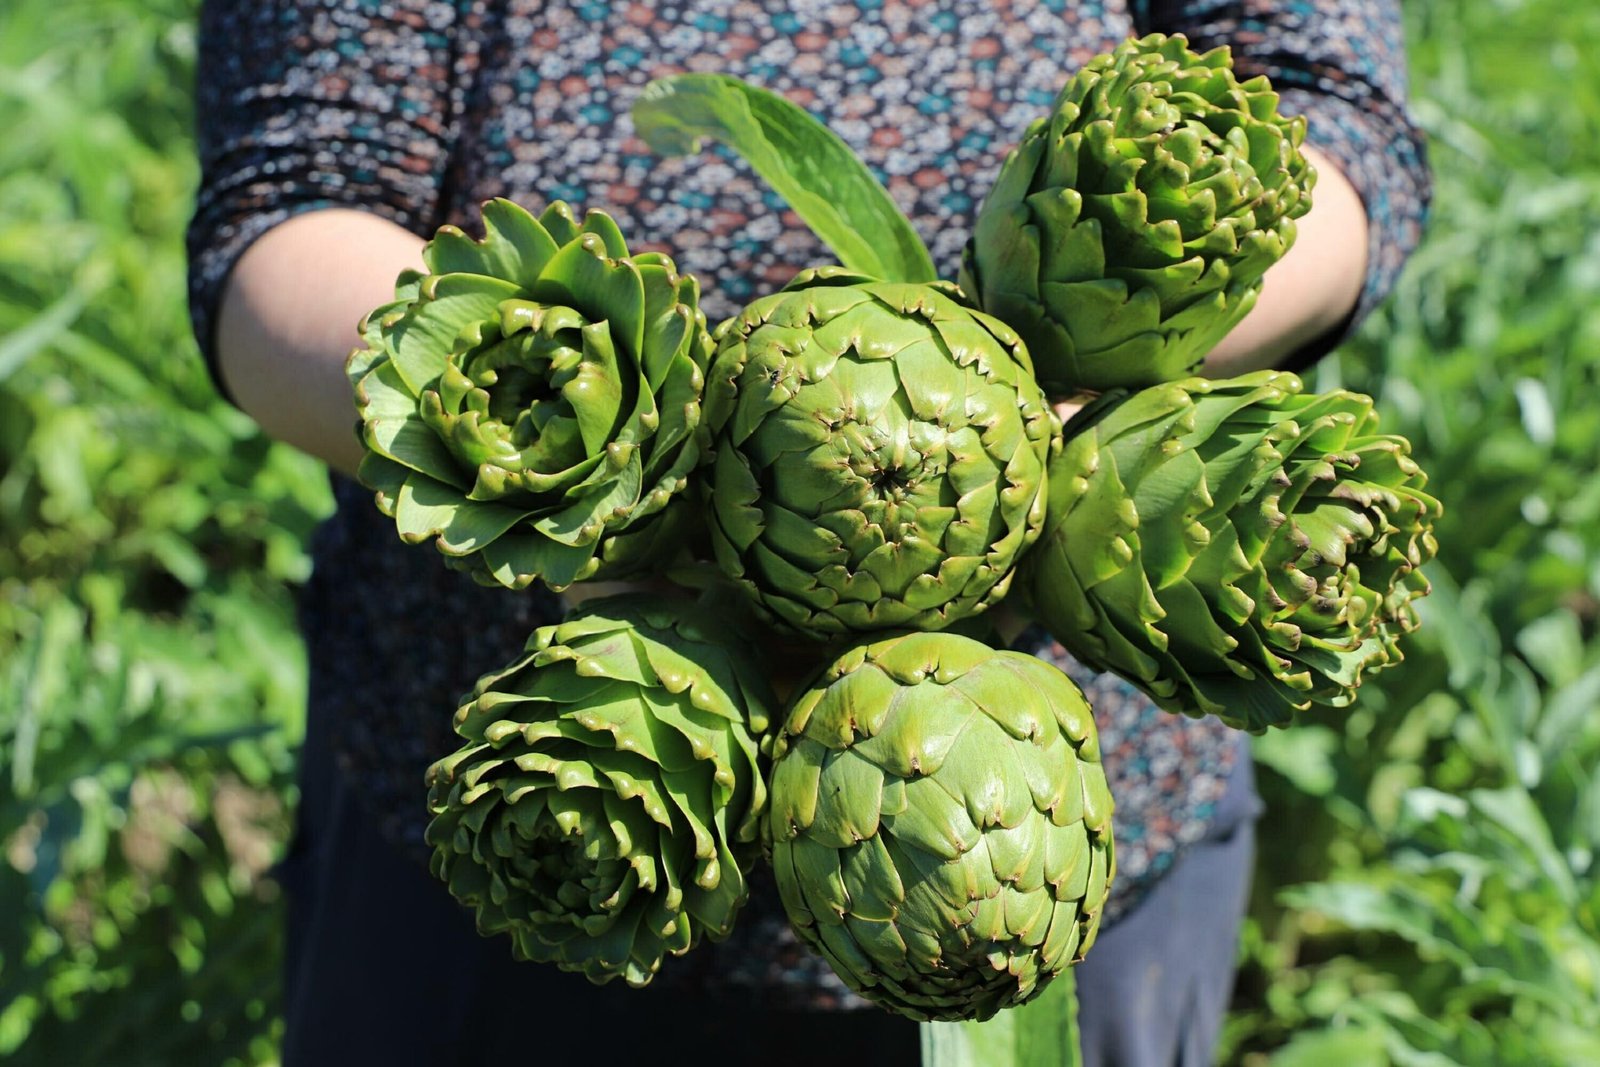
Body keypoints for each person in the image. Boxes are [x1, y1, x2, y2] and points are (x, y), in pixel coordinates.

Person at [187, 2, 1429, 1063]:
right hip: (484, 808)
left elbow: (1337, 121)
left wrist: (1054, 411)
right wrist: (617, 487)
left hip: (1072, 860)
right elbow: (287, 207)